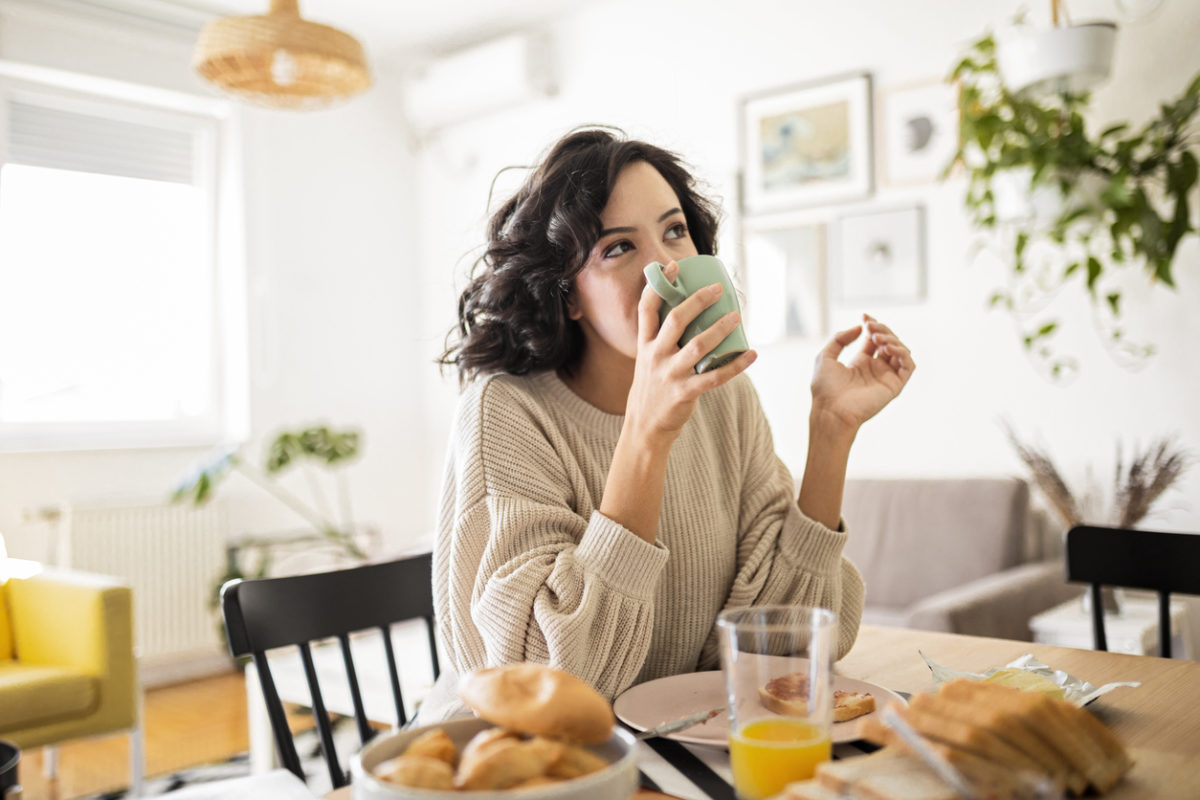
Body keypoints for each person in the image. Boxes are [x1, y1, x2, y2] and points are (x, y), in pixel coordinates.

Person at [419, 127, 914, 723]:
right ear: (568, 296)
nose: (666, 265)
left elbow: (784, 653)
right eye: (617, 248)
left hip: (674, 747)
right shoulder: (505, 413)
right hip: (517, 767)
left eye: (674, 231)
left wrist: (830, 431)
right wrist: (646, 436)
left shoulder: (725, 397)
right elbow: (549, 686)